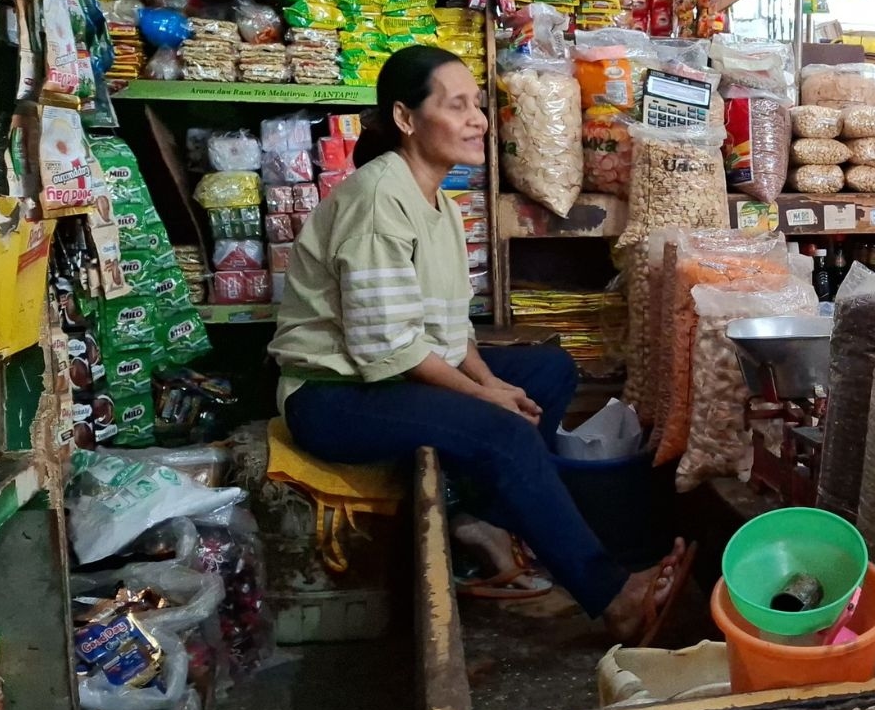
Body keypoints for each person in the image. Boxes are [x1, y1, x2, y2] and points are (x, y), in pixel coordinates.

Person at [270, 46, 689, 643]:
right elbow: (391, 348)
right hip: (336, 393)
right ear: (406, 119)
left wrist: (491, 382)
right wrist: (482, 398)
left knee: (546, 371)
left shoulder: (437, 200)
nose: (479, 120)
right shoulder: (377, 201)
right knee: (505, 432)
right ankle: (613, 595)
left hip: (391, 372)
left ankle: (485, 520)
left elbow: (448, 328)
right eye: (458, 105)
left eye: (479, 106)